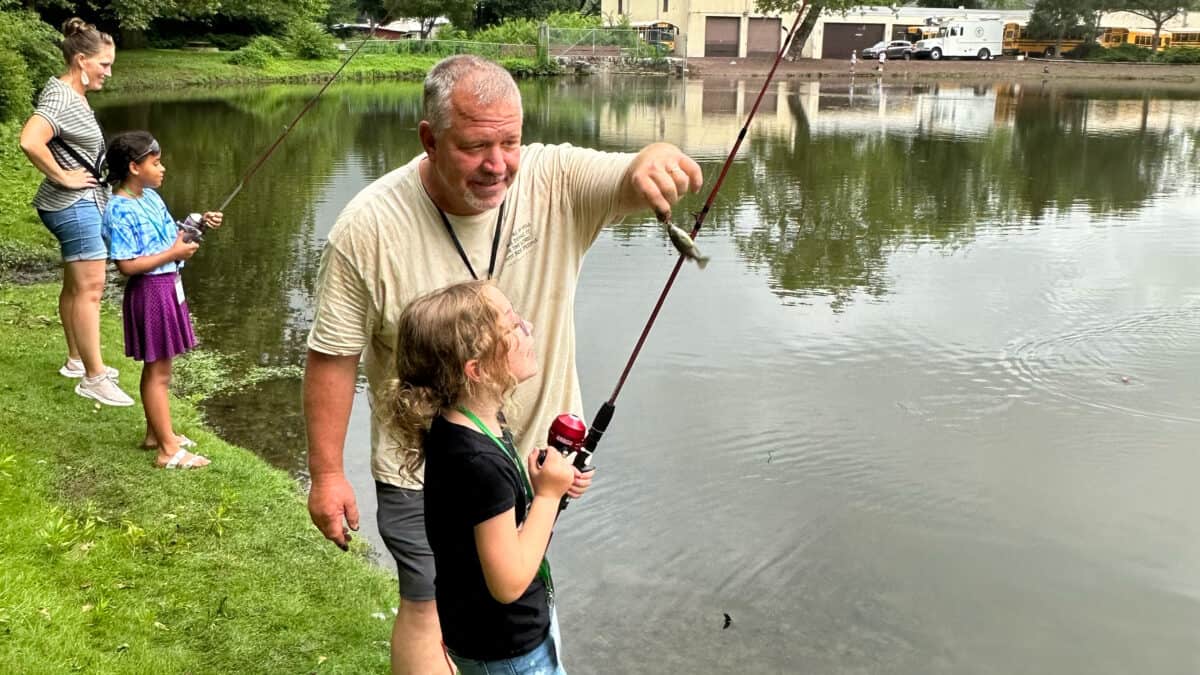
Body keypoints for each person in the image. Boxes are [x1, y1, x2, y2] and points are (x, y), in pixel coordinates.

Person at [304, 54, 703, 674]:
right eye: (474, 147)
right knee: (429, 605)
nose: (498, 164)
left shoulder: (553, 177)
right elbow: (333, 354)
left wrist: (653, 159)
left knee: (509, 601)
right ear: (430, 140)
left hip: (535, 464)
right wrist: (328, 474)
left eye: (510, 142)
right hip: (420, 470)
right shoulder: (367, 227)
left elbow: (626, 176)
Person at [385, 280, 581, 674]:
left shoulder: (464, 426)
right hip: (509, 650)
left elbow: (491, 525)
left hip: (494, 636)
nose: (527, 327)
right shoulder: (478, 462)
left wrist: (547, 489)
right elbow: (508, 583)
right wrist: (546, 498)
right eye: (512, 326)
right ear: (476, 370)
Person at [18, 17, 133, 407]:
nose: (109, 72)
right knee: (91, 290)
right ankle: (94, 378)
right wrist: (63, 176)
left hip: (74, 204)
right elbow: (30, 140)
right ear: (82, 60)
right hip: (74, 205)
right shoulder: (63, 98)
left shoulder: (70, 93)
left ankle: (76, 361)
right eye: (104, 64)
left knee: (74, 288)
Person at [102, 131, 222, 469]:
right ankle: (168, 451)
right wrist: (172, 253)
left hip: (168, 286)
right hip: (150, 292)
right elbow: (127, 265)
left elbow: (171, 238)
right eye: (155, 163)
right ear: (134, 167)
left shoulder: (151, 197)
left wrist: (199, 224)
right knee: (157, 372)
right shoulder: (119, 209)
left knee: (160, 369)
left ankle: (156, 434)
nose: (162, 168)